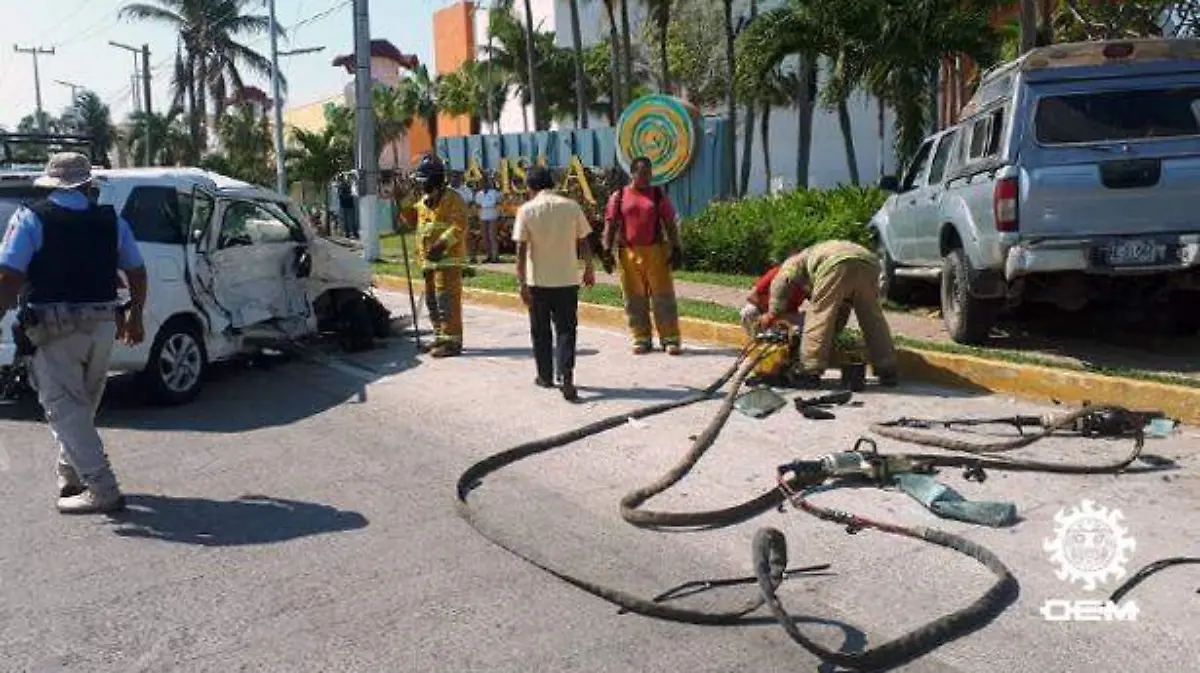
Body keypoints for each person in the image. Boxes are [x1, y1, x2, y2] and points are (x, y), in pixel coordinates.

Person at [0, 152, 149, 514]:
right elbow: (138, 271)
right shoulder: (111, 220)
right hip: (102, 325)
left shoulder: (31, 217)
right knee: (81, 405)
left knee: (66, 408)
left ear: (51, 183)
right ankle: (71, 474)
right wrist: (135, 318)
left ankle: (103, 488)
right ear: (87, 184)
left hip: (54, 329)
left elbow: (9, 275)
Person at [761, 240, 898, 388]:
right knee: (872, 319)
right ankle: (887, 369)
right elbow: (839, 315)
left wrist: (773, 312)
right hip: (870, 263)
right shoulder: (819, 252)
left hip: (837, 264)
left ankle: (808, 371)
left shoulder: (795, 261)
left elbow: (781, 282)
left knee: (819, 315)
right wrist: (830, 337)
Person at [513, 166, 595, 402]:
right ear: (551, 183)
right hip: (567, 280)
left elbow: (520, 250)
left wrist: (521, 283)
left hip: (537, 281)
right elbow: (584, 241)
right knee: (566, 330)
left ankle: (545, 376)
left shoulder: (526, 210)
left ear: (530, 188)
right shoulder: (571, 207)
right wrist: (589, 268)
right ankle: (565, 374)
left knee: (541, 331)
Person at [602, 156, 684, 355]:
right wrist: (606, 251)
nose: (647, 177)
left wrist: (677, 248)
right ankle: (641, 337)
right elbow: (610, 224)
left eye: (649, 173)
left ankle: (669, 338)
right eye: (642, 173)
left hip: (656, 250)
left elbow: (669, 223)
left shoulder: (657, 195)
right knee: (634, 297)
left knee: (662, 295)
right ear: (632, 174)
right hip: (628, 252)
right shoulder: (619, 196)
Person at [413, 154, 469, 358]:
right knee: (432, 302)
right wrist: (400, 201)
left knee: (446, 302)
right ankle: (440, 336)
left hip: (447, 261)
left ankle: (452, 342)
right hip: (428, 263)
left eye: (423, 181)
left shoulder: (453, 199)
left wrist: (441, 244)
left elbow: (459, 226)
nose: (421, 186)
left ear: (435, 179)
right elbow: (410, 222)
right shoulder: (423, 202)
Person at [741, 261, 806, 337]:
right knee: (748, 312)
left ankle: (789, 341)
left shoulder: (808, 280)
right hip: (765, 311)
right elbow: (751, 296)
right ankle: (756, 337)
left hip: (787, 314)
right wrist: (769, 313)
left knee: (808, 323)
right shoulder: (776, 273)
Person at [450, 172, 479, 263]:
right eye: (454, 177)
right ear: (450, 178)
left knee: (469, 237)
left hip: (464, 217)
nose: (456, 180)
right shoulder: (446, 190)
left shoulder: (466, 190)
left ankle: (472, 257)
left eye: (458, 178)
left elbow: (471, 203)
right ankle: (456, 257)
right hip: (451, 218)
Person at [475, 177, 504, 263]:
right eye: (482, 183)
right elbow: (478, 205)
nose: (484, 184)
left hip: (493, 216)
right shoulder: (479, 194)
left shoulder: (495, 193)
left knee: (492, 236)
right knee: (485, 237)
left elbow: (499, 202)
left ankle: (495, 257)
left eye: (486, 182)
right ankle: (489, 255)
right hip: (483, 216)